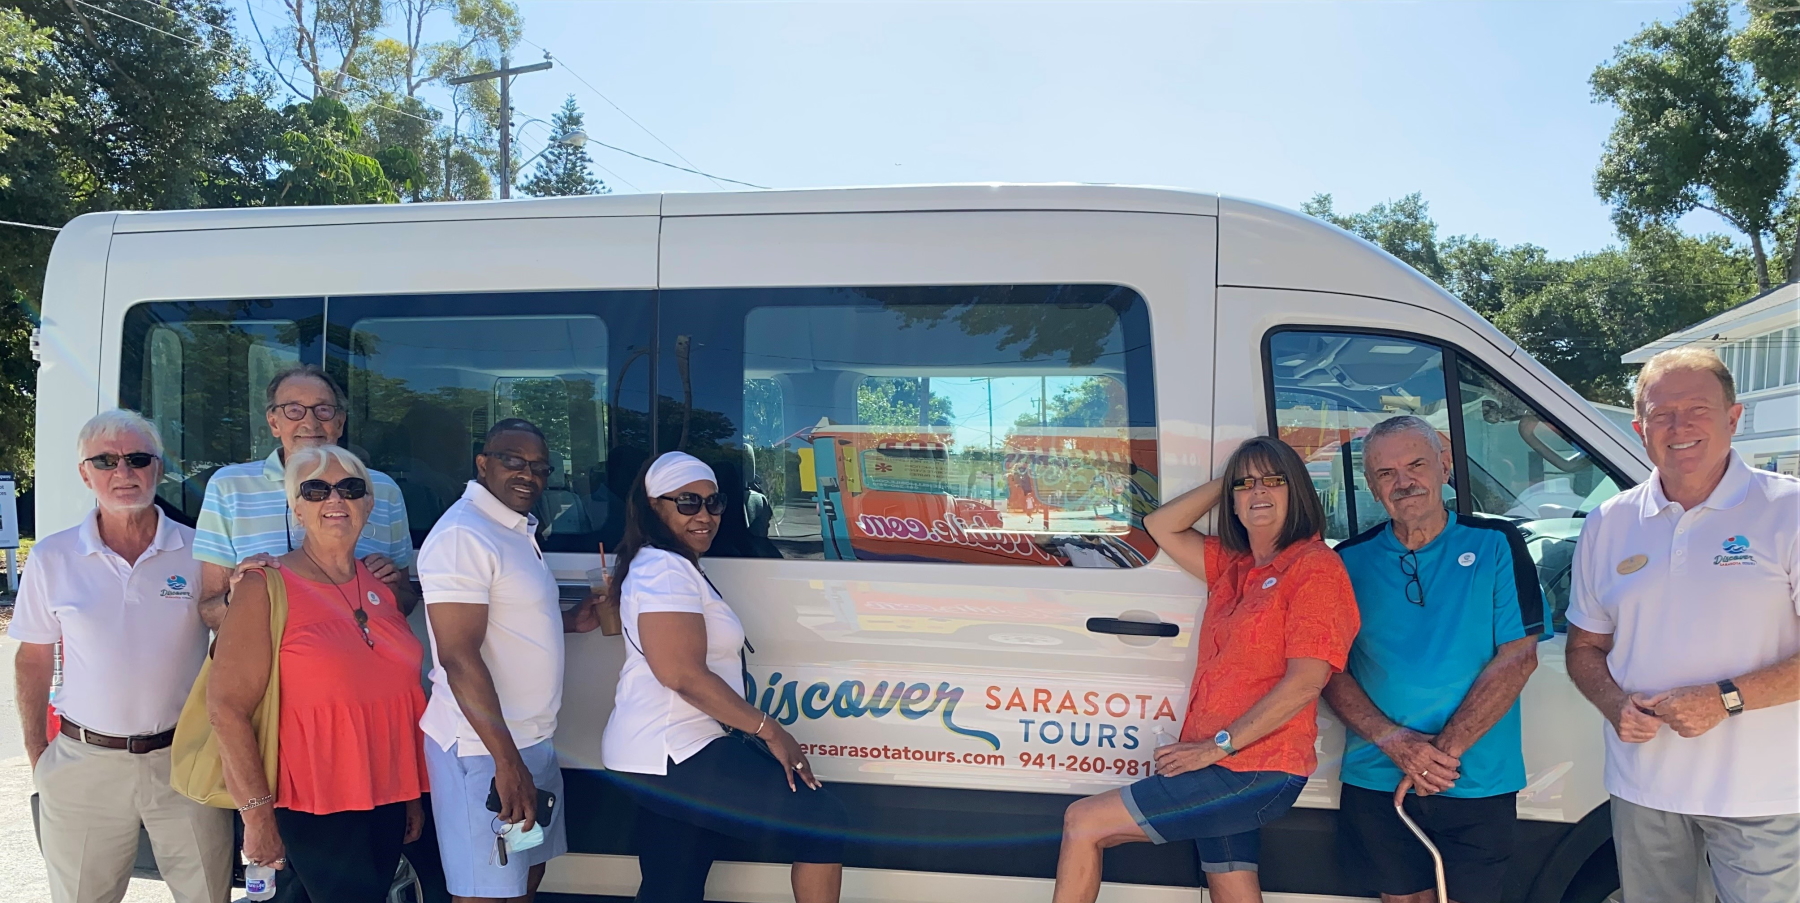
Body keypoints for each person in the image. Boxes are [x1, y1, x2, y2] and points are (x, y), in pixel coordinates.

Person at [1053, 436, 1359, 903]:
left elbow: (1306, 682)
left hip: (1253, 767)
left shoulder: (1315, 568)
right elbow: (1161, 525)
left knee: (1084, 822)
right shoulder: (1233, 566)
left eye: (1274, 481)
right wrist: (1230, 481)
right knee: (1231, 882)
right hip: (1224, 760)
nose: (1260, 492)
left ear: (1297, 491)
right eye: (1247, 484)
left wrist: (1215, 750)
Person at [1565, 348, 1799, 903]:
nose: (1679, 427)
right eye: (1662, 413)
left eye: (1697, 408)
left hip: (1763, 795)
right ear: (1640, 427)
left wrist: (1725, 700)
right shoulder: (1609, 521)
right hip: (1644, 791)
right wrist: (1613, 704)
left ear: (1733, 418)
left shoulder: (1788, 511)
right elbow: (1585, 647)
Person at [601, 451, 849, 903]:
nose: (706, 516)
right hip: (673, 747)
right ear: (654, 505)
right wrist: (769, 731)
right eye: (688, 502)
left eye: (715, 503)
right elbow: (680, 673)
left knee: (673, 884)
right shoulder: (663, 569)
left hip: (662, 748)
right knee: (820, 822)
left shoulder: (671, 564)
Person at [9, 410, 234, 903]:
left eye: (137, 459)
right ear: (84, 473)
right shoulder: (52, 556)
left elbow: (231, 644)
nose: (123, 473)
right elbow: (32, 660)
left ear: (158, 468)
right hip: (84, 762)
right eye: (105, 461)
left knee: (208, 897)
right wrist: (37, 756)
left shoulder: (200, 552)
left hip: (184, 761)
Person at [1322, 415, 1548, 903]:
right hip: (1378, 772)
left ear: (1444, 467)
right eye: (1386, 473)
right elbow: (1327, 669)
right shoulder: (1345, 561)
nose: (1403, 482)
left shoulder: (1497, 544)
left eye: (1416, 464)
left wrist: (1438, 755)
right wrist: (1398, 745)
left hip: (1474, 774)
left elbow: (1519, 656)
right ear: (1370, 485)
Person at [207, 444, 430, 902]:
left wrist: (408, 795)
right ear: (296, 507)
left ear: (368, 504)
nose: (335, 500)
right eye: (316, 489)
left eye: (351, 489)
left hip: (384, 800)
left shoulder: (381, 585)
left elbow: (393, 697)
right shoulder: (264, 586)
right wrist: (257, 818)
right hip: (311, 805)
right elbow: (226, 709)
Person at [417, 419, 607, 903]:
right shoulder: (465, 534)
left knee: (523, 879)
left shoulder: (513, 529)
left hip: (531, 740)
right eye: (513, 461)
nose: (528, 474)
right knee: (486, 893)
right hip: (483, 748)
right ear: (483, 464)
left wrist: (570, 621)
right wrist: (506, 762)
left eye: (539, 467)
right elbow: (459, 656)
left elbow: (504, 619)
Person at [192, 363, 415, 628]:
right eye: (294, 410)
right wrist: (239, 595)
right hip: (264, 663)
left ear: (340, 422)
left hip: (354, 659)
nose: (310, 423)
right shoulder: (229, 487)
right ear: (274, 422)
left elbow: (406, 601)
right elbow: (210, 612)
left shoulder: (382, 489)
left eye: (323, 410)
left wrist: (388, 586)